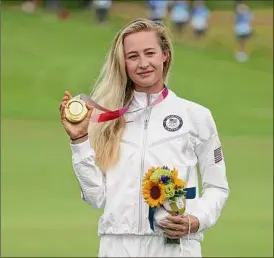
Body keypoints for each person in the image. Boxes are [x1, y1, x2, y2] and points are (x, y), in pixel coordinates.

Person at [59, 18, 230, 257]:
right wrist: (79, 141)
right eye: (133, 56)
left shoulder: (196, 116)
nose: (143, 64)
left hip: (176, 247)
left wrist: (196, 220)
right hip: (117, 246)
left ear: (165, 55)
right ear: (123, 63)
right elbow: (96, 198)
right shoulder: (107, 119)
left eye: (150, 53)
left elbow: (217, 187)